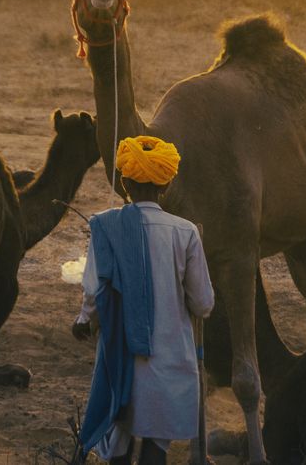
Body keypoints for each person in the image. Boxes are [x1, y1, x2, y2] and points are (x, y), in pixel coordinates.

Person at [73, 135, 215, 465]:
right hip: (170, 362)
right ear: (166, 185)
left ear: (124, 182)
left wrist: (82, 320)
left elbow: (94, 288)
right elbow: (203, 304)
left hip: (120, 361)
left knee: (118, 447)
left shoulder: (106, 226)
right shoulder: (186, 233)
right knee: (156, 448)